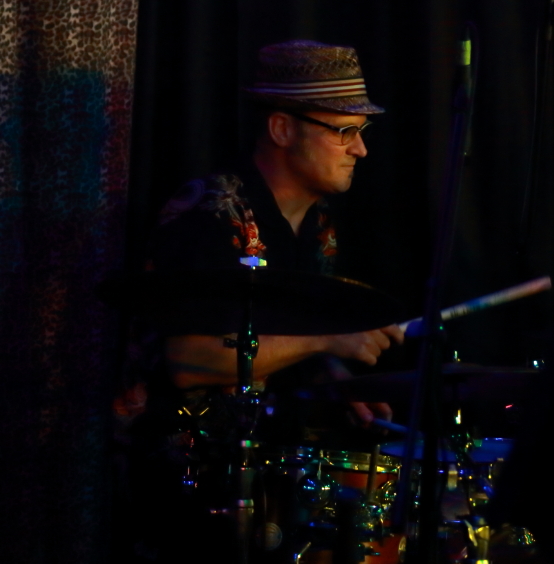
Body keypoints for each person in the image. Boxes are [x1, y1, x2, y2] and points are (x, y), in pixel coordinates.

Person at [114, 40, 403, 562]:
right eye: (343, 131)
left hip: (266, 467)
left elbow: (284, 335)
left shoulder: (318, 224)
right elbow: (187, 360)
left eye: (361, 133)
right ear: (282, 129)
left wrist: (339, 383)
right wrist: (329, 342)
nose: (360, 150)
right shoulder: (210, 211)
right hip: (187, 478)